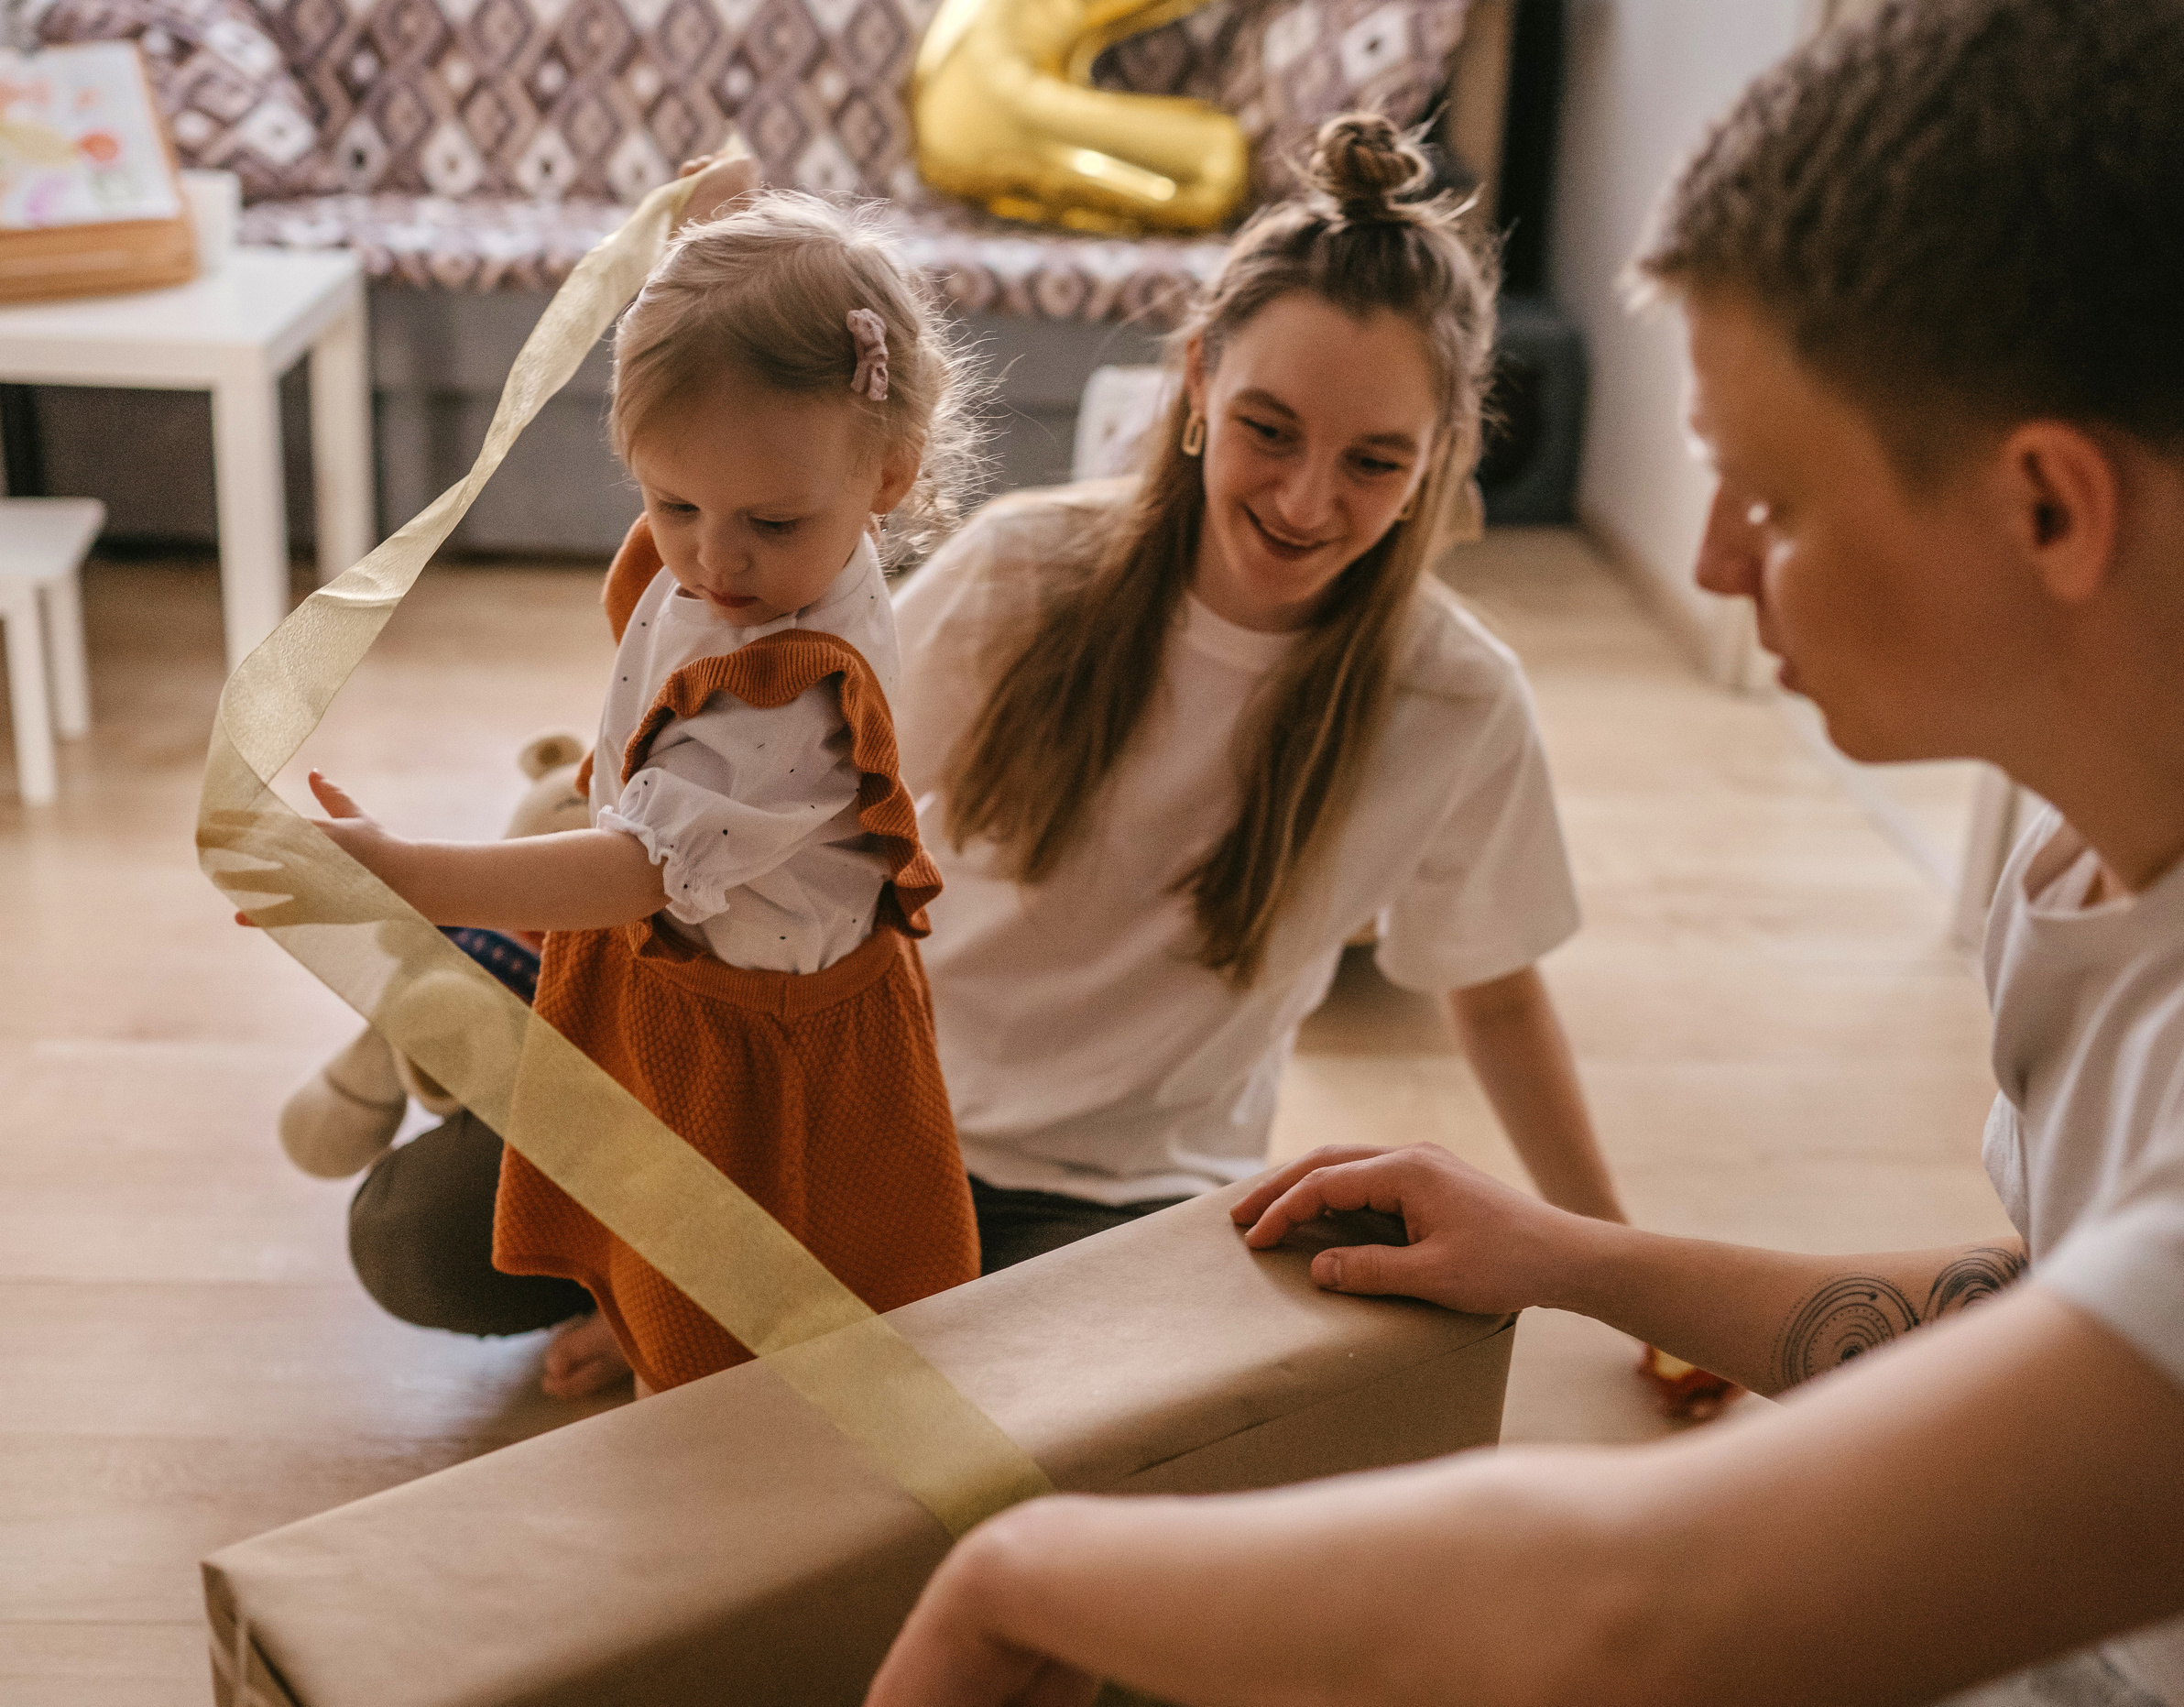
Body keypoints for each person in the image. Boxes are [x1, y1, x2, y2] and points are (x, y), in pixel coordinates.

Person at [863, 2, 2184, 1702]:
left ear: (2051, 510)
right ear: (1198, 390)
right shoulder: (2084, 868)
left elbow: (1638, 1605)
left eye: (1769, 498)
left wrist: (1022, 1575)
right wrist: (1577, 1256)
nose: (1707, 567)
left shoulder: (1449, 698)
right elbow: (2057, 1300)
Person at [345, 114, 1645, 1402]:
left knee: (974, 1415)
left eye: (1374, 461)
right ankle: (738, 1324)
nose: (1307, 500)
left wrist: (1624, 1279)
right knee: (413, 1240)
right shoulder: (1028, 574)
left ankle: (784, 1346)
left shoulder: (1458, 699)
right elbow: (746, 825)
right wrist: (679, 1253)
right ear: (1195, 384)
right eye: (1268, 428)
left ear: (1438, 465)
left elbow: (1499, 998)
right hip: (851, 1106)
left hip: (1111, 1193)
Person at [294, 185, 990, 1394]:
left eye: (768, 520)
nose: (714, 558)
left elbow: (634, 870)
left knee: (746, 1285)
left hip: (757, 1040)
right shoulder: (750, 557)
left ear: (889, 474)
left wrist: (416, 876)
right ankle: (645, 1322)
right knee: (653, 1238)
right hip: (678, 975)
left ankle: (719, 1464)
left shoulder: (791, 689)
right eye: (673, 505)